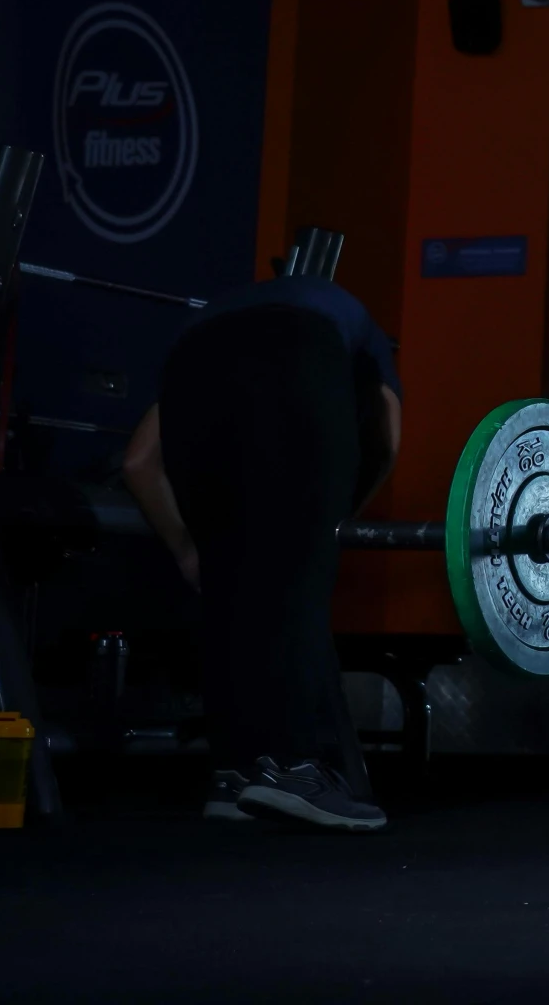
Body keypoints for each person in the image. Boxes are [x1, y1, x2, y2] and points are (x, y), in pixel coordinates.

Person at [123, 274, 402, 832]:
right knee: (297, 582)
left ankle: (235, 774)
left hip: (193, 378)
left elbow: (136, 463)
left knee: (227, 586)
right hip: (296, 357)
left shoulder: (212, 329)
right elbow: (388, 436)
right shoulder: (367, 337)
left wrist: (185, 548)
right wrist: (331, 523)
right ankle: (294, 769)